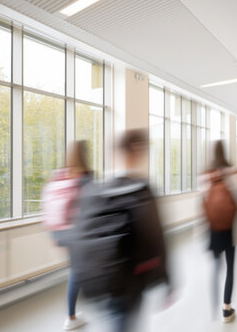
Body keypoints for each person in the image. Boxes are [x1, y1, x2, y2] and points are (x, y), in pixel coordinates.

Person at [71, 129, 170, 332]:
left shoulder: (93, 191)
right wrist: (167, 279)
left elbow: (78, 235)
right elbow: (155, 237)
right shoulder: (141, 190)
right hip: (129, 281)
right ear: (138, 152)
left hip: (100, 281)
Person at [41, 140, 92, 331]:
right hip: (76, 232)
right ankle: (71, 317)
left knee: (78, 270)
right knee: (78, 272)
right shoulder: (85, 177)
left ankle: (73, 313)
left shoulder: (59, 175)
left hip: (58, 231)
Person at [202, 141, 237, 323]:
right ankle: (226, 308)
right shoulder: (233, 173)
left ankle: (213, 305)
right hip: (230, 230)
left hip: (213, 230)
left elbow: (203, 204)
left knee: (215, 267)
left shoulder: (207, 174)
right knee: (230, 267)